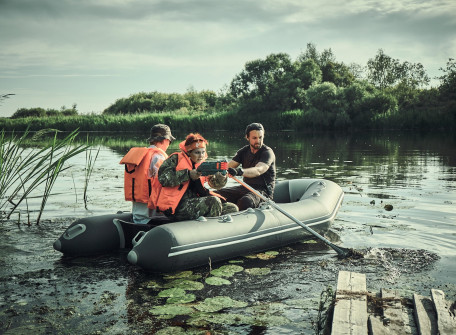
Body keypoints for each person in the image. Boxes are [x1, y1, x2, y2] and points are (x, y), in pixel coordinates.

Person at [151, 133, 238, 221]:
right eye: (197, 152)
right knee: (213, 201)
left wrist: (221, 177)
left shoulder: (202, 164)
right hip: (177, 207)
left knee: (232, 208)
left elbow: (215, 184)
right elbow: (163, 179)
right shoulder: (175, 159)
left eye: (203, 152)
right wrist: (188, 174)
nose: (201, 155)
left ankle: (216, 228)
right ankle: (209, 229)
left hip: (195, 202)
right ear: (189, 152)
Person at [119, 124, 175, 224]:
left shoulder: (139, 156)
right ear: (165, 140)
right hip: (152, 220)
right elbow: (167, 182)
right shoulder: (158, 157)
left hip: (137, 217)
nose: (169, 144)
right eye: (170, 141)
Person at [216, 123, 276, 210]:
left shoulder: (267, 152)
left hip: (262, 192)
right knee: (215, 194)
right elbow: (229, 165)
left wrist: (239, 172)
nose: (258, 141)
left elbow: (259, 170)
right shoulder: (244, 151)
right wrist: (213, 171)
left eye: (260, 137)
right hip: (245, 187)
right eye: (254, 138)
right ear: (247, 137)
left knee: (245, 202)